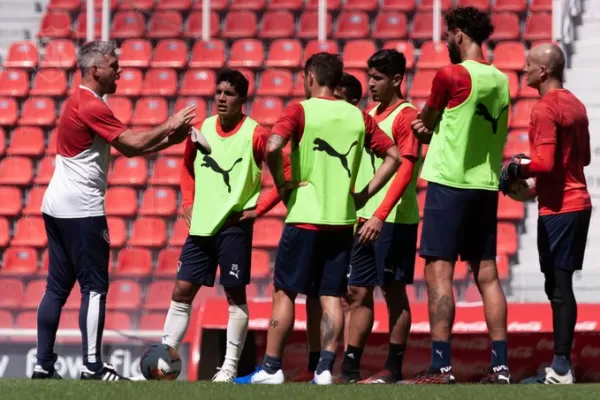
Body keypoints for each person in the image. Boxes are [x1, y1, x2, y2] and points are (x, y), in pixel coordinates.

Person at [34, 40, 197, 381]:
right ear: (96, 70)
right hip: (81, 209)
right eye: (113, 64)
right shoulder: (92, 106)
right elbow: (133, 144)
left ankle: (43, 367)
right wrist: (171, 125)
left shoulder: (80, 101)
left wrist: (172, 139)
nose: (120, 70)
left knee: (56, 289)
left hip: (56, 204)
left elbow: (132, 150)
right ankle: (93, 367)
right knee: (94, 288)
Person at [234, 52, 400, 385]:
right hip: (341, 220)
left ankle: (271, 368)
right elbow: (394, 156)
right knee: (330, 295)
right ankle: (324, 369)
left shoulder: (299, 109)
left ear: (311, 77)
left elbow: (272, 146)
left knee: (284, 293)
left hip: (305, 216)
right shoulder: (357, 116)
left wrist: (283, 185)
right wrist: (364, 195)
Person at [161, 68, 286, 383]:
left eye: (228, 94)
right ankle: (164, 360)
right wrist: (187, 203)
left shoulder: (256, 134)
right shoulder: (202, 128)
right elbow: (186, 167)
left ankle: (228, 367)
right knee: (182, 289)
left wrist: (259, 209)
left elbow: (286, 172)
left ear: (242, 99)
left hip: (233, 228)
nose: (220, 98)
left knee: (234, 295)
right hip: (201, 226)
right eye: (218, 92)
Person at [408, 7, 511, 384]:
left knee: (439, 272)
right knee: (487, 273)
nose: (446, 42)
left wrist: (423, 126)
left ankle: (441, 366)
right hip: (484, 185)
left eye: (448, 35)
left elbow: (425, 123)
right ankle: (501, 368)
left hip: (450, 182)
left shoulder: (450, 74)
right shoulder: (501, 79)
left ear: (459, 34)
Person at [502, 44, 591, 385]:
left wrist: (515, 168)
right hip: (572, 202)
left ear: (543, 72)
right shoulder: (576, 105)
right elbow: (581, 160)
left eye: (528, 66)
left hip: (561, 210)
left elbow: (544, 163)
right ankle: (560, 364)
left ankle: (562, 368)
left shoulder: (543, 109)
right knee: (557, 284)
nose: (523, 70)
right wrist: (537, 184)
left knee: (559, 286)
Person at [340, 49, 420, 384]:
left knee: (393, 291)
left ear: (397, 80)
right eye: (369, 77)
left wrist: (381, 215)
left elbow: (406, 167)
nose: (370, 84)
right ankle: (349, 370)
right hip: (364, 219)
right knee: (357, 293)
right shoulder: (370, 113)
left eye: (377, 78)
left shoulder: (406, 115)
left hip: (393, 220)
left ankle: (392, 367)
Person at [290, 72, 364, 383]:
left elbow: (393, 161)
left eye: (342, 98)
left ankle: (343, 367)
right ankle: (315, 363)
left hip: (356, 219)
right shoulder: (331, 122)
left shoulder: (359, 123)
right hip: (325, 215)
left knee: (349, 294)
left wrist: (371, 207)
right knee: (314, 293)